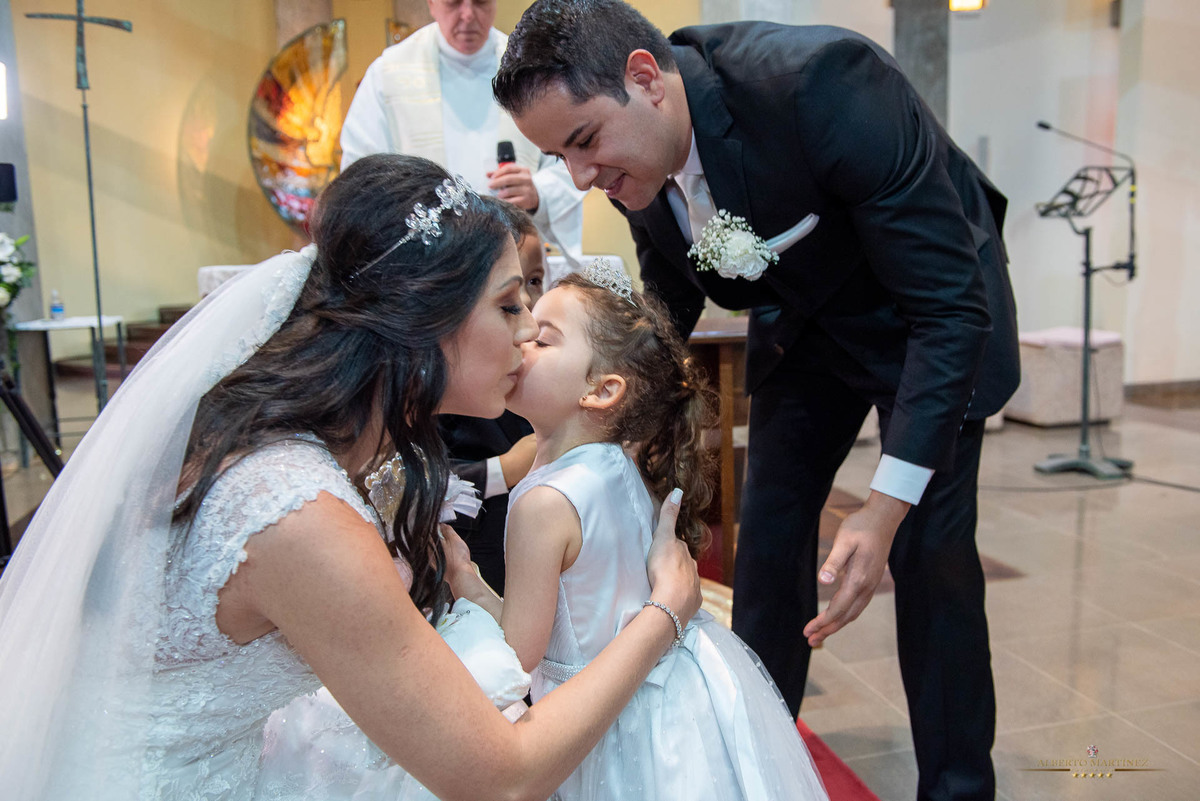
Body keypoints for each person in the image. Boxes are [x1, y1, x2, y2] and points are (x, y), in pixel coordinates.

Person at [0, 153, 702, 800]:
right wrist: (663, 613)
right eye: (510, 304)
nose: (526, 334)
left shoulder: (334, 443)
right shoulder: (293, 507)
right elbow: (505, 777)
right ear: (429, 314)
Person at [493, 3, 1021, 799]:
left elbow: (949, 308)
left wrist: (879, 511)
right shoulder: (639, 167)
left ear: (646, 79)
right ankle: (752, 759)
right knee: (768, 540)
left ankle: (956, 784)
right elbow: (662, 318)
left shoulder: (824, 85)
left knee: (930, 557)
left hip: (933, 320)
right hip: (807, 331)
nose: (578, 177)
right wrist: (609, 437)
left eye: (584, 141)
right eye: (556, 155)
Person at [454, 264, 829, 801]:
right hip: (670, 701)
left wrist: (465, 581)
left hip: (601, 722)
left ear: (602, 390)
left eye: (542, 338)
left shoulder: (542, 502)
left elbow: (517, 656)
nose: (521, 341)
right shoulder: (617, 460)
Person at [340, 0, 585, 270]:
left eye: (480, 2)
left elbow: (573, 160)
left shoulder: (535, 71)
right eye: (454, 3)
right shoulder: (387, 75)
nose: (468, 15)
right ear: (431, 4)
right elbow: (361, 181)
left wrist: (539, 192)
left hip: (512, 260)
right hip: (424, 269)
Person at [438, 204, 544, 594]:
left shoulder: (535, 365)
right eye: (509, 302)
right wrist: (505, 468)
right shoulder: (450, 390)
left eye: (535, 282)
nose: (531, 313)